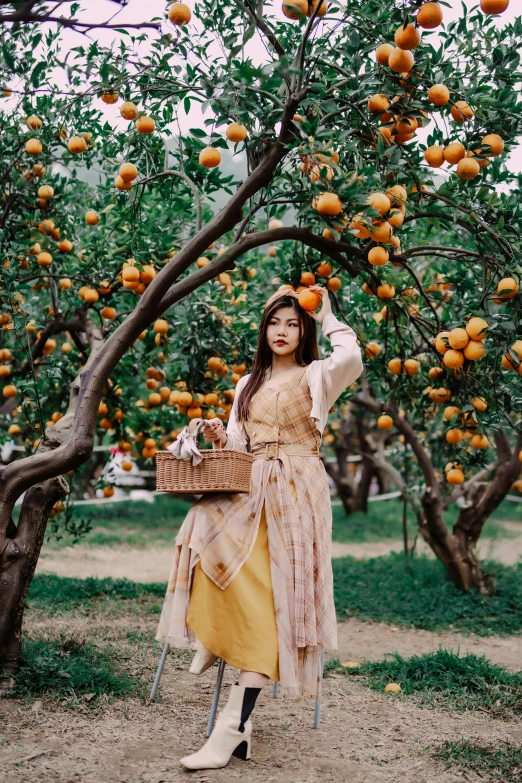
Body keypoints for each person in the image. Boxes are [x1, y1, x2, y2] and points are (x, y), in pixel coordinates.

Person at [156, 286, 363, 770]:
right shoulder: (247, 381)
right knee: (201, 527)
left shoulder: (318, 375)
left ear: (304, 331)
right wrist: (216, 434)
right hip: (250, 488)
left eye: (293, 324)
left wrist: (328, 312)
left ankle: (231, 727)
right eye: (275, 322)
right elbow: (238, 441)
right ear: (264, 328)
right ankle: (235, 711)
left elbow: (350, 354)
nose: (283, 332)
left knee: (279, 603)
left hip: (296, 495)